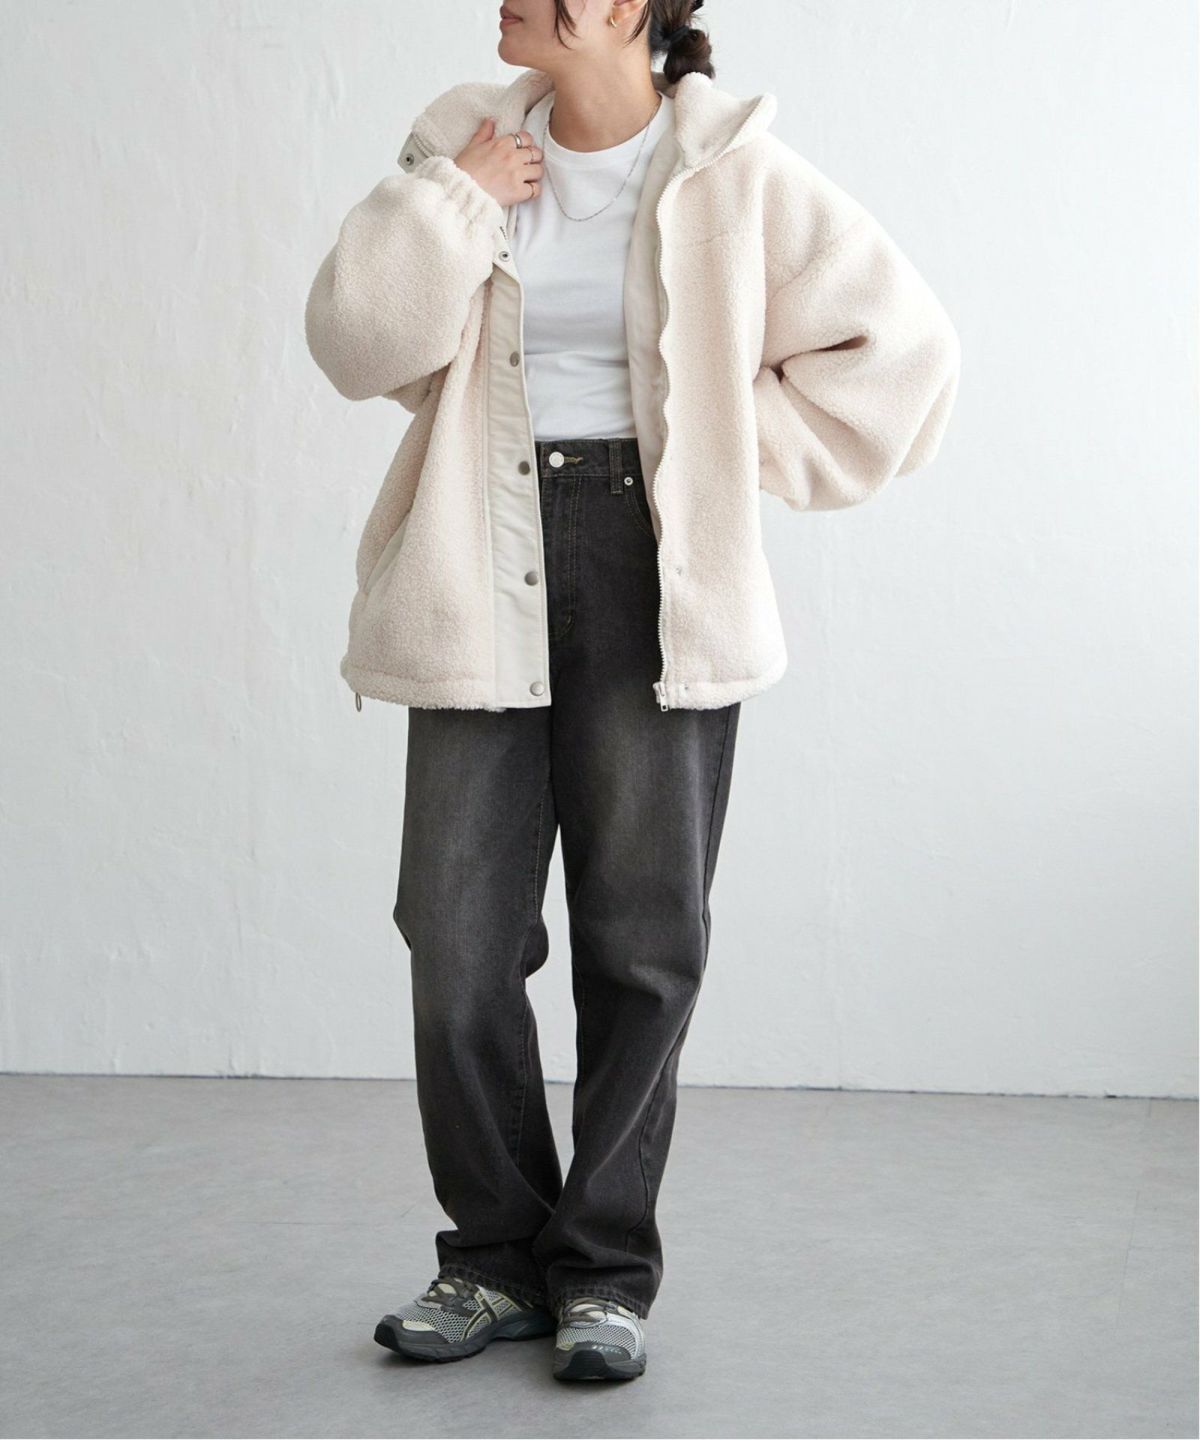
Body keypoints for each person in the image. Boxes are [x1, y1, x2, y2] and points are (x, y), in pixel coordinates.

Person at [304, 0, 961, 1384]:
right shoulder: (463, 141)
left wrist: (715, 439)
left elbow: (903, 358)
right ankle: (492, 1259)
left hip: (657, 567)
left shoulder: (735, 173)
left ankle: (602, 1273)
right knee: (456, 938)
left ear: (619, 8)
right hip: (480, 555)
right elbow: (358, 344)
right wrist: (454, 200)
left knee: (642, 943)